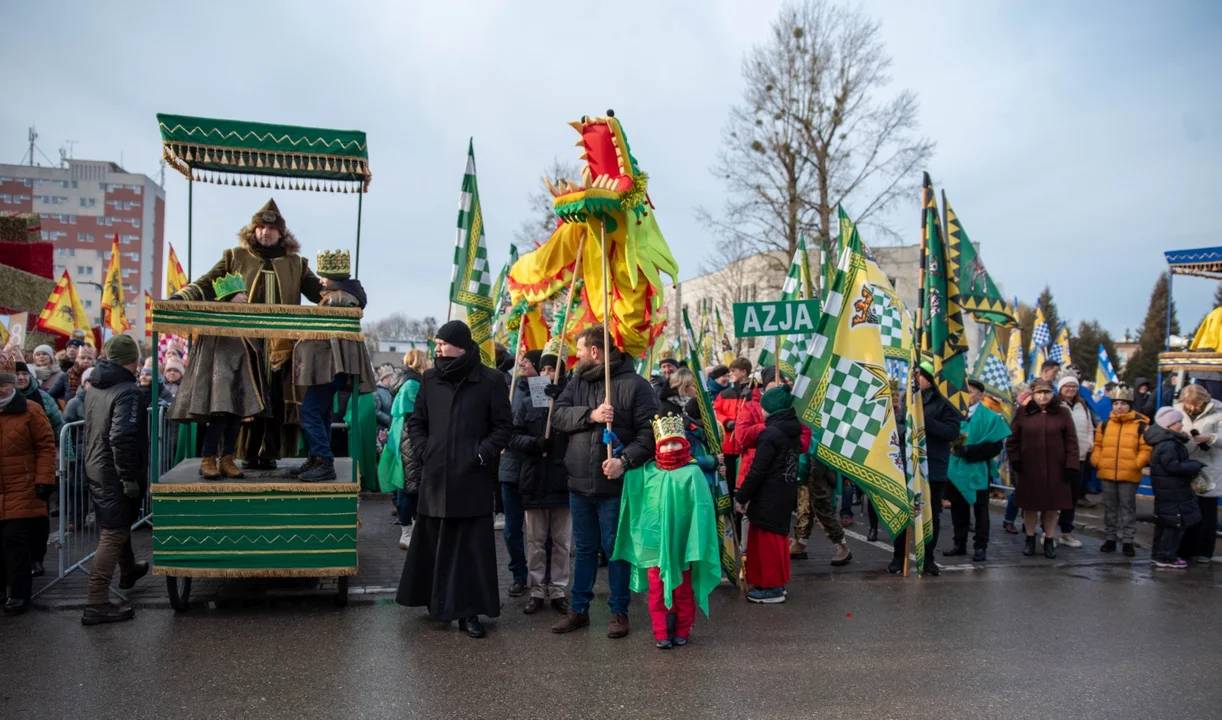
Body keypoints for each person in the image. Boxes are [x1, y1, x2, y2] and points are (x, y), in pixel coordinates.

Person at [169, 199, 326, 470]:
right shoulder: (234, 257)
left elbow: (320, 293)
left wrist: (344, 293)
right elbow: (208, 283)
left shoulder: (296, 264)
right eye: (261, 227)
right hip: (243, 347)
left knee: (276, 402)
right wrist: (181, 297)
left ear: (282, 233)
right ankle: (234, 456)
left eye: (272, 228)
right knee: (237, 402)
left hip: (282, 349)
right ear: (253, 231)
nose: (266, 232)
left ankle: (269, 454)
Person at [396, 321, 512, 639]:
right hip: (436, 478)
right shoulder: (430, 378)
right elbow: (417, 421)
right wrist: (424, 450)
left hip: (471, 480)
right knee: (435, 544)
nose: (437, 348)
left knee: (469, 550)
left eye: (443, 343)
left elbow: (503, 426)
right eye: (436, 343)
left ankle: (468, 612)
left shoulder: (490, 380)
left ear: (460, 345)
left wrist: (480, 454)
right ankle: (438, 604)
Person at [549, 325, 658, 639]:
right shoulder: (577, 382)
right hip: (579, 484)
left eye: (580, 349)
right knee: (583, 549)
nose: (577, 354)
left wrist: (624, 461)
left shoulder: (636, 386)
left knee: (616, 549)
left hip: (615, 487)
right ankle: (578, 609)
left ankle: (619, 611)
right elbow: (558, 418)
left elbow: (650, 434)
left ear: (595, 351)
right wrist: (590, 415)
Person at [613, 412, 719, 648]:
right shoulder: (647, 471)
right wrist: (615, 448)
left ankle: (682, 629)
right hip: (655, 548)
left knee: (683, 591)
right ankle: (661, 633)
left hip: (683, 547)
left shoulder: (692, 473)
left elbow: (701, 511)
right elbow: (626, 476)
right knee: (656, 592)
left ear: (684, 444)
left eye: (675, 443)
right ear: (657, 447)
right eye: (665, 444)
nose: (670, 448)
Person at [81, 335, 149, 625]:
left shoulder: (96, 385)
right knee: (113, 532)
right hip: (113, 471)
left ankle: (129, 569)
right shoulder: (128, 392)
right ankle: (96, 601)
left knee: (117, 525)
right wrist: (128, 477)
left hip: (97, 465)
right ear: (133, 360)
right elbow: (122, 437)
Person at [291, 250, 374, 483]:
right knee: (322, 412)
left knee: (310, 411)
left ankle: (324, 460)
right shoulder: (342, 296)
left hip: (330, 366)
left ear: (334, 280)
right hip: (331, 365)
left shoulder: (337, 299)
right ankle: (318, 458)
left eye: (324, 278)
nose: (320, 281)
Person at [169, 272, 261, 480]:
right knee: (219, 419)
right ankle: (208, 458)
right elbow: (209, 357)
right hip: (220, 379)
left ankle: (227, 458)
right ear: (229, 296)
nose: (246, 296)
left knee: (235, 419)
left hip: (239, 376)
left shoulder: (245, 318)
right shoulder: (213, 317)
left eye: (246, 293)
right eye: (241, 293)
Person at [509, 351, 573, 614]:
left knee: (561, 542)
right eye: (544, 368)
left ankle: (558, 589)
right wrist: (534, 444)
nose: (547, 373)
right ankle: (536, 589)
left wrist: (562, 403)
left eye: (553, 369)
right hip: (535, 479)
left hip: (562, 480)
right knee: (535, 542)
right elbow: (513, 436)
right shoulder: (526, 402)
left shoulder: (569, 400)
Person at [889, 361, 961, 575]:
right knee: (903, 512)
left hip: (933, 467)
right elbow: (898, 427)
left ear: (929, 379)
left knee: (931, 514)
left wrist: (923, 423)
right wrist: (907, 427)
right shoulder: (907, 400)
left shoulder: (945, 403)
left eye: (919, 376)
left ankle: (928, 559)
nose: (914, 380)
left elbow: (952, 432)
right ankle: (898, 557)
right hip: (906, 465)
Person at [0, 347, 57, 616]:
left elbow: (46, 446)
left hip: (21, 486)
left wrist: (45, 479)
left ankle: (20, 593)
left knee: (16, 541)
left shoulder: (31, 410)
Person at [735, 385, 801, 603]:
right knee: (777, 541)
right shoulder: (791, 431)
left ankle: (771, 589)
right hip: (784, 492)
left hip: (769, 495)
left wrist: (742, 496)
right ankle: (775, 584)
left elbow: (758, 469)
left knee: (767, 544)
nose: (760, 411)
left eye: (763, 407)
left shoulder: (770, 434)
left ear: (771, 409)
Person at [1007, 379, 1079, 559]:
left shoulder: (1062, 413)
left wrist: (1071, 465)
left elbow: (1071, 441)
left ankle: (1049, 540)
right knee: (1030, 506)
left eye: (1046, 392)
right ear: (1033, 394)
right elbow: (1012, 440)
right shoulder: (1023, 412)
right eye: (1039, 393)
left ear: (1052, 393)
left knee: (1052, 507)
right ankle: (1030, 539)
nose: (1043, 396)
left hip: (1056, 468)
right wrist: (1015, 460)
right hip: (1029, 467)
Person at [945, 379, 1009, 562]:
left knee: (980, 511)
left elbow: (995, 446)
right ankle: (959, 543)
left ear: (980, 395)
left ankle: (980, 546)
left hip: (978, 470)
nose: (967, 395)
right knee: (958, 509)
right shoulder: (955, 414)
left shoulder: (990, 418)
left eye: (971, 391)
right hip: (955, 469)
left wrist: (970, 451)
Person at [499, 349, 545, 598]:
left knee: (540, 530)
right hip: (511, 467)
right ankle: (518, 573)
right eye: (522, 358)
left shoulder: (543, 389)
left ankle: (543, 577)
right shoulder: (510, 386)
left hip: (536, 467)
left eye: (528, 360)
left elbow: (541, 428)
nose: (522, 362)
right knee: (512, 528)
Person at [15, 356, 65, 579]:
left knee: (37, 518)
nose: (21, 377)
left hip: (36, 469)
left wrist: (64, 460)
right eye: (16, 374)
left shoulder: (42, 400)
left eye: (24, 373)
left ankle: (37, 557)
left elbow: (60, 430)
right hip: (12, 472)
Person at [1090, 385, 1152, 557]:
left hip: (1129, 473)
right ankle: (1110, 538)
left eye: (1123, 404)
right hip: (1107, 471)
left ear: (1129, 405)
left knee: (1127, 508)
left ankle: (1127, 540)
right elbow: (1098, 446)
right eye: (1116, 403)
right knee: (1110, 507)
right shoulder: (1105, 425)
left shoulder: (1140, 426)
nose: (1119, 407)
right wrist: (1097, 461)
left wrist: (1136, 463)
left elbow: (1145, 449)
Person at [1144, 407, 1204, 569]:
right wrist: (1195, 465)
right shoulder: (1168, 444)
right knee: (1174, 524)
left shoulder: (1163, 441)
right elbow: (1173, 466)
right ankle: (1166, 557)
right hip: (1173, 489)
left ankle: (1158, 555)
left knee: (1165, 523)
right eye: (1178, 422)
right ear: (1168, 425)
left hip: (1167, 489)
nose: (1181, 425)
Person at [379, 349, 427, 550]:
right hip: (411, 440)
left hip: (402, 438)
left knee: (406, 484)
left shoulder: (401, 381)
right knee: (411, 487)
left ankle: (410, 529)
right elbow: (418, 414)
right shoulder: (413, 383)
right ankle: (407, 531)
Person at [1176, 384, 1221, 563]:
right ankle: (1185, 549)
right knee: (1186, 509)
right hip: (1186, 465)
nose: (1193, 408)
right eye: (1189, 404)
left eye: (1197, 404)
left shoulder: (1218, 413)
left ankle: (1204, 551)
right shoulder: (1176, 410)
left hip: (1209, 466)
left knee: (1206, 511)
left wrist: (1210, 438)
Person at [1056, 375, 1094, 548]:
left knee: (1072, 497)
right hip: (1059, 458)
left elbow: (1089, 426)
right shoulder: (1055, 405)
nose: (1070, 389)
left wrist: (1089, 444)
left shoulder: (1082, 405)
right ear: (1060, 388)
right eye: (1067, 386)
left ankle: (1066, 532)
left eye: (1073, 386)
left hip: (1079, 457)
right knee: (1054, 496)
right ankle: (1048, 532)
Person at [714, 357, 754, 489]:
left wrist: (751, 398)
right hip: (727, 446)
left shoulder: (755, 393)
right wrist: (726, 422)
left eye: (733, 371)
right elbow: (716, 412)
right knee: (728, 482)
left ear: (743, 372)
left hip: (746, 446)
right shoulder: (724, 393)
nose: (730, 374)